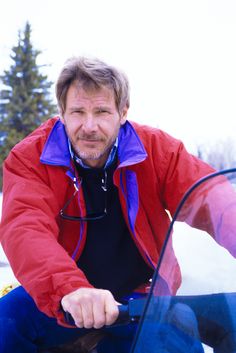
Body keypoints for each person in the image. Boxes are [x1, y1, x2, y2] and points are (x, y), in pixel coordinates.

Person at [0, 56, 235, 353]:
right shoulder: (30, 158)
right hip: (67, 297)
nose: (89, 126)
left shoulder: (158, 151)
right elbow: (25, 228)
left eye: (101, 111)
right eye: (77, 112)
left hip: (141, 298)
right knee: (4, 323)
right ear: (62, 112)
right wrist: (70, 289)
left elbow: (215, 200)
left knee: (176, 345)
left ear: (122, 112)